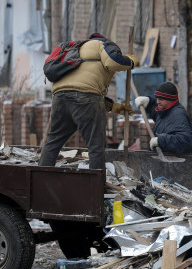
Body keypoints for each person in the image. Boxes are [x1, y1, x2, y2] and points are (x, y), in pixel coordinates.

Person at [39, 33, 138, 170]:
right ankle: (96, 187)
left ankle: (42, 177)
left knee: (53, 141)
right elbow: (113, 62)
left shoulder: (74, 49)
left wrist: (115, 107)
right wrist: (131, 62)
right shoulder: (104, 45)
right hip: (85, 99)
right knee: (95, 145)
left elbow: (83, 86)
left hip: (59, 98)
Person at [134, 81, 192, 154]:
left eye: (161, 99)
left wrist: (160, 141)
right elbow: (156, 112)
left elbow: (186, 141)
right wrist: (148, 102)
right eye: (157, 98)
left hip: (175, 163)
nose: (158, 102)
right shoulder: (164, 110)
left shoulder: (178, 115)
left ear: (171, 100)